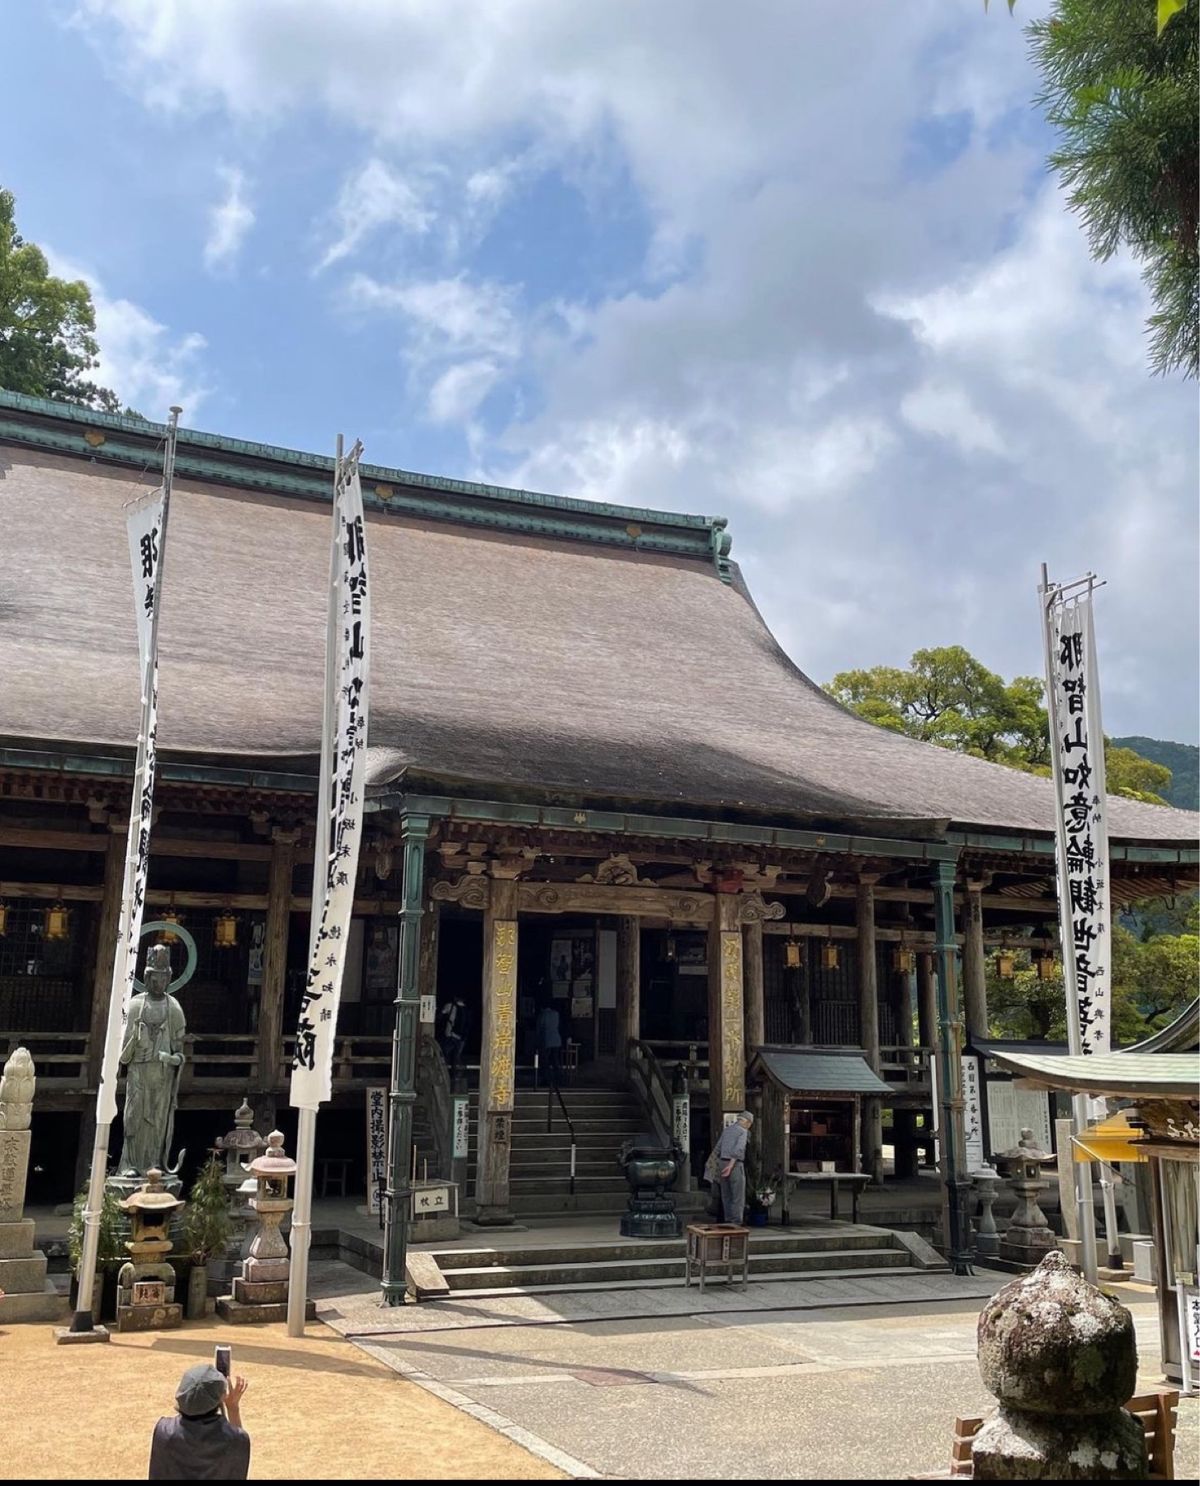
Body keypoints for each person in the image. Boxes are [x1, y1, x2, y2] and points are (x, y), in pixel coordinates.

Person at [148, 1364, 250, 1480]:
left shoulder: (164, 1431)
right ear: (221, 1398)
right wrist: (232, 1408)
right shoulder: (237, 1439)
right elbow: (237, 1441)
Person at [711, 1111, 753, 1226]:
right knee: (737, 1195)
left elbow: (717, 1148)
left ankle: (728, 1219)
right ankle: (736, 1222)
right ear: (747, 1122)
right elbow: (739, 1150)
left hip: (721, 1163)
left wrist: (714, 1166)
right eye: (750, 1124)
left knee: (726, 1194)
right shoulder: (743, 1131)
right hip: (734, 1165)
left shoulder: (727, 1130)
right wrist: (730, 1165)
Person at [437, 997, 471, 1071]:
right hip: (462, 1037)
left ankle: (444, 1072)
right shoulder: (467, 1009)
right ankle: (456, 1073)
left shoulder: (450, 1006)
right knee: (456, 1056)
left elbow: (440, 1016)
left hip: (450, 1034)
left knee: (444, 1053)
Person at [535, 1001, 563, 1083]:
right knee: (555, 1060)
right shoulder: (556, 1014)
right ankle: (559, 1078)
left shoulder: (542, 1015)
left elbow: (539, 1029)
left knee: (545, 1061)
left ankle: (546, 1079)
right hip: (557, 1040)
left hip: (546, 1041)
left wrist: (537, 1041)